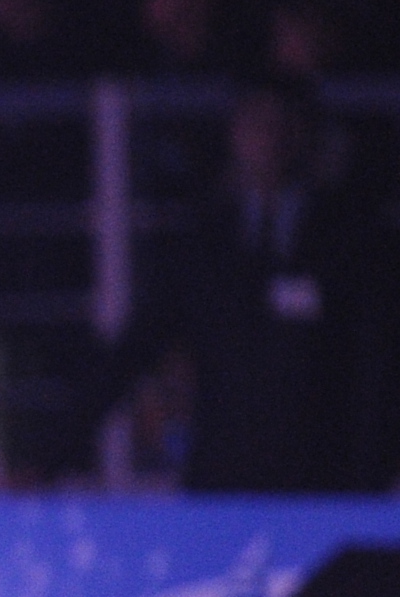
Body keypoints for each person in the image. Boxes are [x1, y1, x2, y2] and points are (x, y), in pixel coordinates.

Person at [86, 72, 399, 491]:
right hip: (225, 477)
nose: (269, 138)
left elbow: (377, 361)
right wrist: (52, 450)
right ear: (234, 134)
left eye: (284, 123)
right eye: (256, 123)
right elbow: (138, 345)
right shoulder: (203, 239)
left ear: (309, 134)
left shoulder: (355, 237)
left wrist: (373, 473)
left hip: (326, 479)